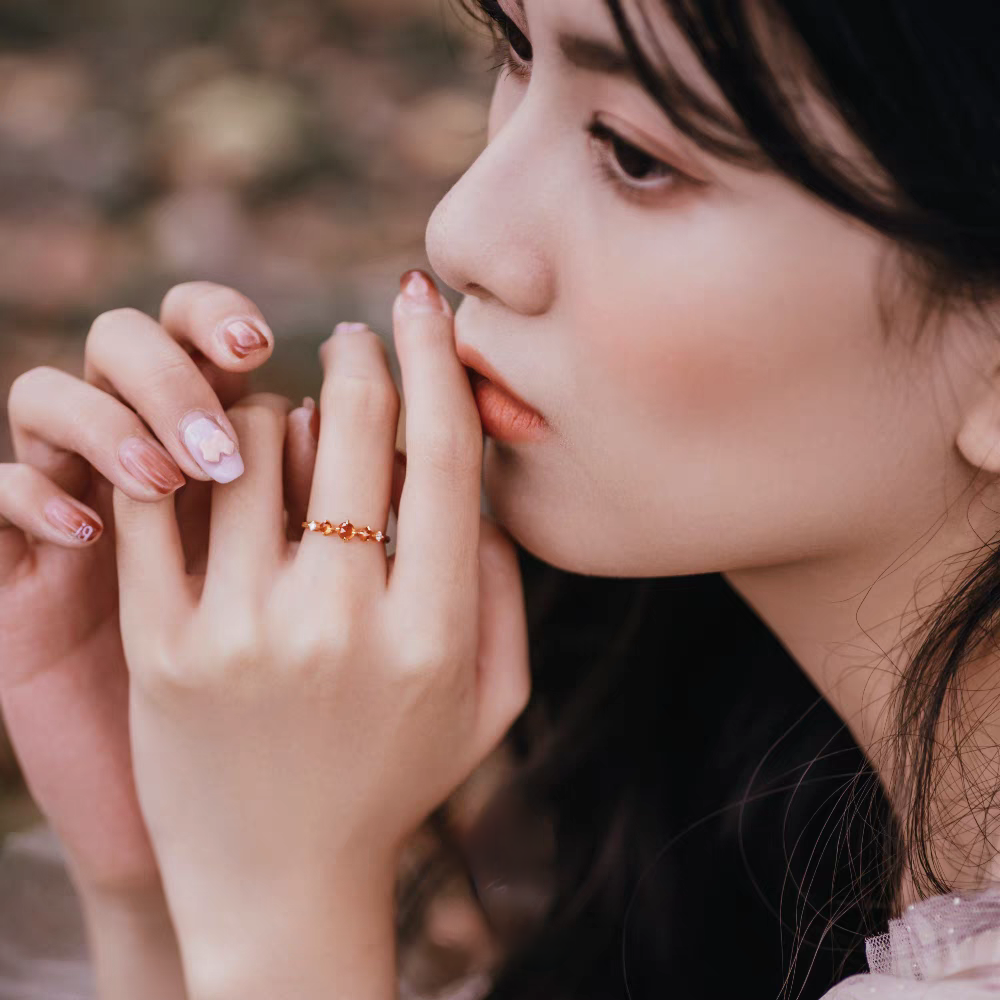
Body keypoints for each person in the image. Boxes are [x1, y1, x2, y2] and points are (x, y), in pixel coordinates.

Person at [1, 0, 1000, 998]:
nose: (460, 228)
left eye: (636, 153)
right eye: (516, 51)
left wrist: (279, 909)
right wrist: (176, 868)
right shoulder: (736, 782)